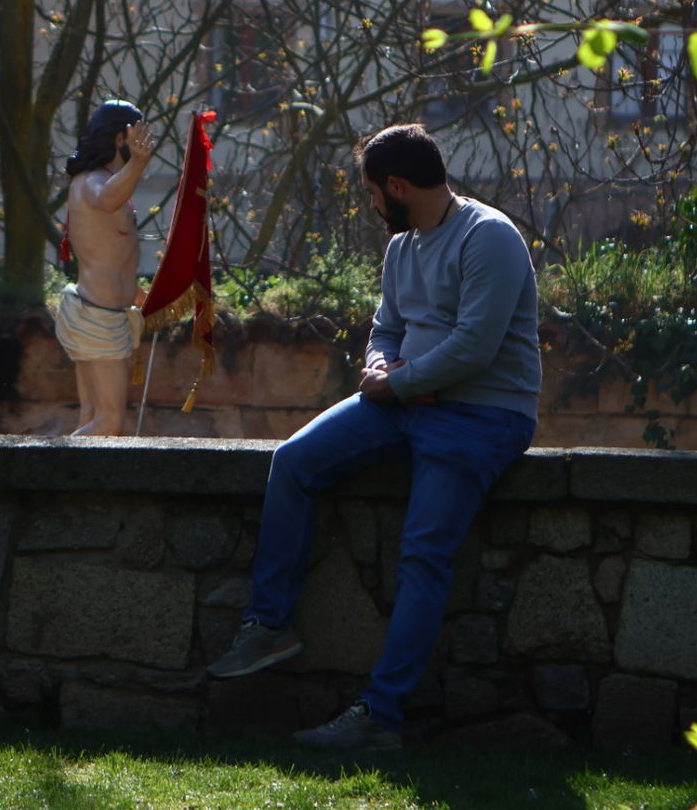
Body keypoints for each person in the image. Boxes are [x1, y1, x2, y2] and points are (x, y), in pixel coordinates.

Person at [206, 123, 540, 751]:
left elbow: (475, 347)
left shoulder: (488, 237)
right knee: (293, 461)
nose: (371, 207)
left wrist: (402, 381)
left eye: (371, 195)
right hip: (404, 400)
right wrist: (381, 366)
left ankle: (380, 717)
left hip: (481, 415)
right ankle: (270, 624)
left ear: (396, 185)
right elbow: (386, 327)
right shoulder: (402, 248)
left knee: (423, 553)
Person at [56, 100, 158, 435]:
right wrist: (139, 163)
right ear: (121, 139)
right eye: (138, 136)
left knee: (93, 416)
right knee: (109, 422)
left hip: (101, 311)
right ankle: (47, 471)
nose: (144, 144)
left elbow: (113, 256)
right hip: (97, 317)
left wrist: (144, 295)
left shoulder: (103, 180)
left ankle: (76, 487)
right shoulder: (92, 182)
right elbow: (105, 199)